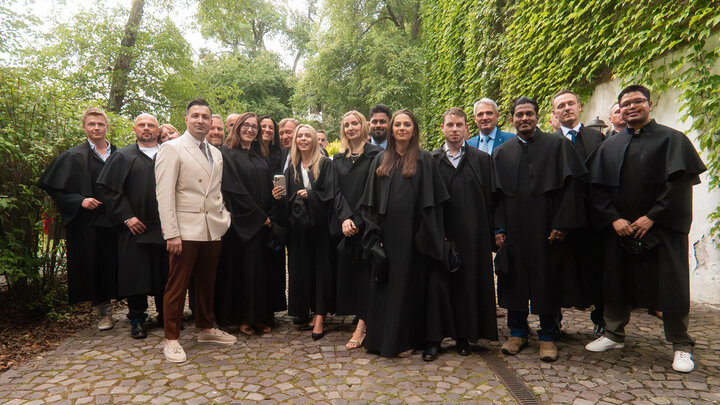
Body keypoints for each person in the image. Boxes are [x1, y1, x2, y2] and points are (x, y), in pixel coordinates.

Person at [584, 85, 706, 373]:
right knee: (616, 281)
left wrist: (652, 217)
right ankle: (614, 333)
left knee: (671, 285)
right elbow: (596, 189)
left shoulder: (673, 140)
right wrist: (613, 218)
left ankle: (680, 343)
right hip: (621, 229)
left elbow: (678, 186)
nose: (631, 107)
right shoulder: (609, 146)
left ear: (650, 104)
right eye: (625, 103)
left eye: (637, 101)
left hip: (662, 228)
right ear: (619, 109)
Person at [493, 97, 587, 362]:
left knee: (548, 279)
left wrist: (561, 224)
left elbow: (571, 189)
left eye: (529, 114)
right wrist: (498, 227)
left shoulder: (558, 145)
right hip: (514, 230)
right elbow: (496, 195)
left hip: (547, 230)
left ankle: (547, 335)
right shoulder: (502, 153)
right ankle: (517, 332)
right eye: (519, 115)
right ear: (511, 119)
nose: (524, 119)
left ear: (537, 117)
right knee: (514, 279)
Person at [361, 110, 449, 358]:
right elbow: (370, 203)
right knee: (385, 286)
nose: (401, 128)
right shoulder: (380, 160)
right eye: (397, 124)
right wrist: (373, 235)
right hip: (385, 237)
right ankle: (383, 341)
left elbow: (432, 204)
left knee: (409, 288)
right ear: (391, 129)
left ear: (414, 129)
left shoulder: (424, 160)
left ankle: (408, 340)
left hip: (413, 237)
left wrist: (427, 235)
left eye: (406, 124)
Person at [155, 99, 236, 363]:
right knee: (177, 285)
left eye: (205, 117)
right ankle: (171, 338)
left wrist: (224, 217)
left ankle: (206, 328)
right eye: (195, 116)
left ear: (211, 121)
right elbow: (164, 194)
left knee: (206, 282)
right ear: (186, 118)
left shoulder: (216, 152)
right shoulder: (171, 149)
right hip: (185, 229)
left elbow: (216, 190)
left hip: (212, 227)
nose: (200, 120)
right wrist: (171, 232)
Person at [424, 107, 498, 361]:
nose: (454, 129)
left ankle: (464, 336)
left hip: (472, 235)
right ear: (442, 128)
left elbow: (491, 200)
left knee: (468, 285)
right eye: (450, 125)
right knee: (436, 286)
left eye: (459, 125)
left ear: (467, 128)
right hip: (439, 235)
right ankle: (434, 340)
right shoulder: (430, 160)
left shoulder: (481, 160)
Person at [39, 107, 118, 330]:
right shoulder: (73, 156)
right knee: (97, 264)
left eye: (100, 124)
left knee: (123, 263)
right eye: (92, 124)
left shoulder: (119, 154)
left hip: (118, 220)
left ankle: (135, 312)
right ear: (84, 127)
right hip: (90, 223)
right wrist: (79, 201)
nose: (96, 128)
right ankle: (105, 312)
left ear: (106, 127)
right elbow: (55, 188)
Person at [96, 113, 167, 339]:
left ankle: (167, 316)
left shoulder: (168, 154)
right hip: (135, 228)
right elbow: (110, 190)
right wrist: (126, 217)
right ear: (135, 129)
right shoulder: (123, 156)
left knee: (164, 274)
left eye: (151, 125)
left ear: (158, 130)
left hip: (165, 227)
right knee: (137, 275)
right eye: (142, 125)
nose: (146, 128)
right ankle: (137, 319)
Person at [272, 124, 337, 340]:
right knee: (302, 270)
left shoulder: (325, 164)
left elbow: (331, 194)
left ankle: (320, 316)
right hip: (298, 228)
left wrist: (311, 195)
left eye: (307, 135)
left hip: (319, 227)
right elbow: (287, 201)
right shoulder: (291, 168)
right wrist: (279, 196)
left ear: (314, 140)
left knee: (320, 270)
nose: (303, 139)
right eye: (299, 136)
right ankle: (306, 310)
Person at [214, 112, 276, 335]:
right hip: (242, 225)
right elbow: (234, 190)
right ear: (237, 128)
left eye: (254, 127)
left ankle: (259, 316)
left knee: (259, 271)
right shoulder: (227, 154)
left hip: (262, 223)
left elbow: (266, 187)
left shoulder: (260, 156)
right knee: (243, 272)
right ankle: (244, 318)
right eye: (246, 126)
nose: (251, 130)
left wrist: (273, 200)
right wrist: (259, 217)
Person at [332, 111, 383, 350]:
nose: (351, 127)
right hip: (347, 225)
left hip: (368, 223)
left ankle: (362, 326)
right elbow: (336, 192)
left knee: (367, 275)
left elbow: (374, 192)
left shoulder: (376, 155)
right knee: (351, 275)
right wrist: (344, 218)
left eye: (355, 123)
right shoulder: (338, 158)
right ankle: (361, 316)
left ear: (364, 127)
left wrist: (359, 220)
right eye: (347, 124)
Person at [258, 115, 290, 318]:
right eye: (263, 126)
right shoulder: (250, 152)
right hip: (257, 214)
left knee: (274, 266)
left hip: (276, 214)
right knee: (257, 266)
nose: (268, 130)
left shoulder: (279, 153)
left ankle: (271, 311)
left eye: (271, 127)